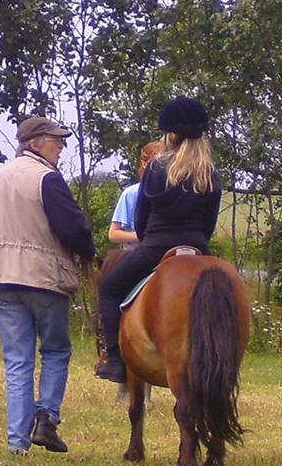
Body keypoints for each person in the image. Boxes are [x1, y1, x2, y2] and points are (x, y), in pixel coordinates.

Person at [0, 117, 96, 456]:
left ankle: (17, 444)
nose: (62, 146)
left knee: (17, 361)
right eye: (56, 140)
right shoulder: (47, 179)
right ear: (34, 143)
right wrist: (88, 252)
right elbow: (73, 229)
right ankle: (46, 419)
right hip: (44, 279)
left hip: (0, 279)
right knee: (55, 351)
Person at [95, 97, 222, 384]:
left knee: (109, 288)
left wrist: (147, 238)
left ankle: (114, 359)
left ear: (171, 134)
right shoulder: (210, 174)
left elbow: (141, 220)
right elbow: (209, 224)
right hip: (198, 247)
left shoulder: (155, 168)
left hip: (155, 246)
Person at [108, 141, 164, 249]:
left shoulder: (173, 192)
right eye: (155, 164)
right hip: (138, 250)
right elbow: (113, 234)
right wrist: (143, 237)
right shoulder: (131, 193)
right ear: (144, 164)